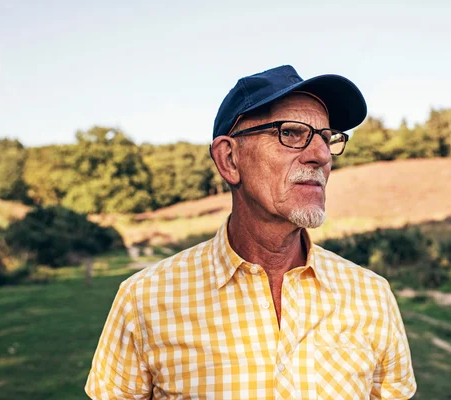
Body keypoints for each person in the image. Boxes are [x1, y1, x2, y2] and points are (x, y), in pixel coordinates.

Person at [85, 65, 416, 399]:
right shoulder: (145, 300)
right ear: (229, 159)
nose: (320, 155)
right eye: (291, 133)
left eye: (327, 138)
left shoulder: (372, 296)